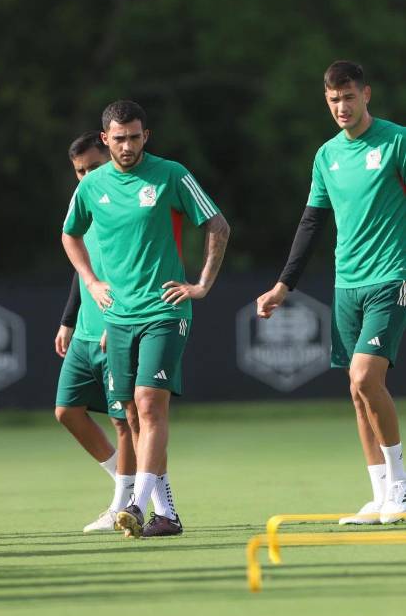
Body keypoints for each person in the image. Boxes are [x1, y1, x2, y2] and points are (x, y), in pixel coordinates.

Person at [62, 100, 230, 538]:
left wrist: (202, 284)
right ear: (105, 139)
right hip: (118, 318)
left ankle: (136, 506)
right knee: (132, 415)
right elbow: (69, 234)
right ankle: (166, 513)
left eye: (135, 137)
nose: (128, 146)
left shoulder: (171, 174)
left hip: (164, 310)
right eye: (119, 139)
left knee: (150, 402)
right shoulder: (92, 185)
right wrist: (92, 283)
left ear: (145, 136)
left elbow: (217, 225)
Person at [257, 60, 406, 525]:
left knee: (365, 377)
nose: (341, 106)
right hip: (347, 284)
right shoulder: (327, 156)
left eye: (348, 97)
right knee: (357, 391)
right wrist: (285, 284)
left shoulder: (397, 140)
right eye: (333, 100)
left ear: (366, 94)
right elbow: (312, 222)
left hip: (391, 277)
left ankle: (401, 487)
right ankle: (380, 493)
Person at [54, 131, 137, 532]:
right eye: (80, 171)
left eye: (94, 167)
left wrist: (118, 322)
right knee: (67, 411)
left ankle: (125, 502)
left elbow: (133, 267)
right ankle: (126, 480)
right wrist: (69, 319)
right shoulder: (86, 200)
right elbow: (84, 265)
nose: (87, 176)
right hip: (85, 327)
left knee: (125, 420)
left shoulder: (124, 201)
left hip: (116, 324)